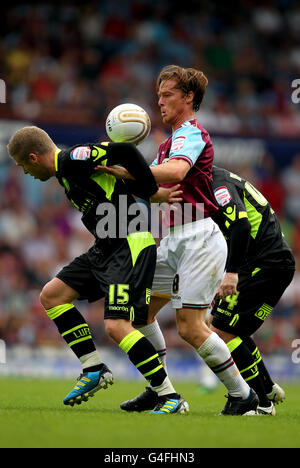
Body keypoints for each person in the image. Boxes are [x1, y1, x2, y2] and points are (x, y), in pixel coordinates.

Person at [97, 65, 258, 415]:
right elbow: (152, 187)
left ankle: (243, 396)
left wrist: (135, 170)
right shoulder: (169, 141)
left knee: (189, 327)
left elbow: (175, 173)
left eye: (168, 95)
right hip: (171, 237)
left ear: (188, 98)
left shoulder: (191, 133)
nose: (160, 102)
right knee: (139, 313)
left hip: (199, 236)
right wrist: (111, 168)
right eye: (158, 96)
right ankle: (160, 390)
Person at [7, 125, 189, 414]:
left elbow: (126, 151)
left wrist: (153, 189)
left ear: (32, 157)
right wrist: (156, 195)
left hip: (128, 245)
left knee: (117, 326)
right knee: (52, 295)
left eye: (22, 166)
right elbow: (117, 187)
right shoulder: (66, 173)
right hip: (105, 248)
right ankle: (93, 368)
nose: (25, 173)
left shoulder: (72, 159)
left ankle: (169, 396)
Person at [209, 165, 295, 415]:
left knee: (222, 332)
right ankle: (266, 389)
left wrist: (231, 273)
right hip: (269, 264)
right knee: (234, 328)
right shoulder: (222, 179)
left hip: (265, 265)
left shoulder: (218, 185)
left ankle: (261, 403)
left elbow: (241, 227)